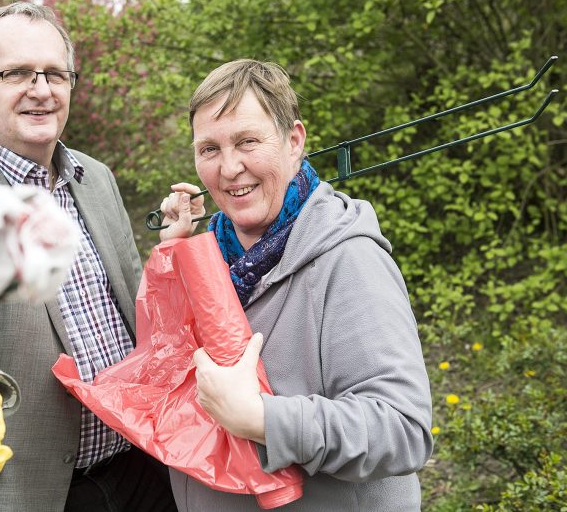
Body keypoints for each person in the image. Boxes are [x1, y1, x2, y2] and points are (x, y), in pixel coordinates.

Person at [0, 2, 177, 512]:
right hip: (39, 492)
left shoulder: (95, 176)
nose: (41, 90)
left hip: (143, 468)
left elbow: (131, 308)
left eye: (54, 73)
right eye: (16, 73)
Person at [160, 59, 433, 510]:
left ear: (294, 142)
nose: (229, 168)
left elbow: (402, 430)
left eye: (248, 141)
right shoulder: (210, 255)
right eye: (209, 149)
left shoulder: (349, 259)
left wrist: (263, 419)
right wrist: (176, 259)